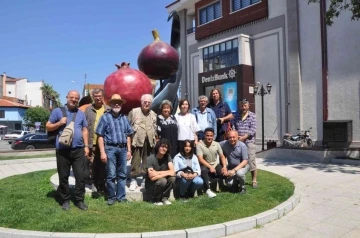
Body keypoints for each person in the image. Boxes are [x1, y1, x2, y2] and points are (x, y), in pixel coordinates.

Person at [46, 90, 89, 211]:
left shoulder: (80, 113)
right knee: (63, 176)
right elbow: (48, 126)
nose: (74, 100)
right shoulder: (57, 111)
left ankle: (80, 200)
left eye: (76, 98)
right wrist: (59, 123)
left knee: (80, 176)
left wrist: (86, 146)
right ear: (67, 97)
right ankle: (66, 200)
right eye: (72, 97)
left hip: (78, 149)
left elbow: (84, 130)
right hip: (62, 150)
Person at [96, 94, 134, 205]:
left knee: (122, 174)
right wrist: (102, 152)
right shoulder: (105, 117)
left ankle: (121, 197)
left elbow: (128, 135)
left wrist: (129, 150)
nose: (117, 104)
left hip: (123, 149)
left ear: (121, 105)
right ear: (111, 104)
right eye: (114, 102)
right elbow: (100, 136)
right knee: (111, 174)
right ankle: (111, 197)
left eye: (119, 102)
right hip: (110, 149)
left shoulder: (124, 118)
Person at [128, 94, 157, 191]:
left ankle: (145, 179)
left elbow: (155, 128)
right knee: (135, 160)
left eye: (149, 102)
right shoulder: (134, 112)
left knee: (147, 161)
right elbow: (128, 127)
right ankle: (133, 179)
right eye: (145, 102)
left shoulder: (153, 114)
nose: (147, 104)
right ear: (141, 102)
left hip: (149, 142)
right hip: (137, 141)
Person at [84, 88, 110, 193]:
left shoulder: (108, 110)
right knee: (93, 164)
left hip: (105, 143)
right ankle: (94, 183)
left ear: (102, 96)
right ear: (93, 98)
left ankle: (102, 184)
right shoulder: (88, 110)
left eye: (99, 96)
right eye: (96, 96)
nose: (98, 98)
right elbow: (84, 126)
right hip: (92, 142)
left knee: (104, 164)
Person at [196, 127, 227, 198]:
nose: (209, 137)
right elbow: (200, 159)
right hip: (205, 165)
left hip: (215, 164)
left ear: (213, 136)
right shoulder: (200, 145)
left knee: (223, 173)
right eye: (207, 135)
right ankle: (207, 189)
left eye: (211, 136)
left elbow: (222, 156)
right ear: (204, 135)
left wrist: (224, 167)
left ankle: (222, 186)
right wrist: (210, 167)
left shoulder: (216, 144)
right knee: (204, 170)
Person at [233, 99, 257, 188]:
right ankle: (239, 179)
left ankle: (254, 180)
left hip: (249, 142)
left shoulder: (252, 116)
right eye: (242, 106)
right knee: (239, 161)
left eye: (245, 105)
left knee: (251, 161)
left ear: (248, 106)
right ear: (240, 106)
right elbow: (234, 126)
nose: (243, 107)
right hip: (238, 142)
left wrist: (244, 137)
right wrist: (236, 136)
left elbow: (253, 129)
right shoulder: (236, 116)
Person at [145, 138, 176, 205]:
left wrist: (156, 173)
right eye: (162, 146)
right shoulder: (150, 158)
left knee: (172, 178)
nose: (164, 149)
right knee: (163, 180)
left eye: (166, 147)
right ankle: (156, 199)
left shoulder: (168, 157)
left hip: (160, 181)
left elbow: (173, 172)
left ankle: (164, 198)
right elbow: (152, 177)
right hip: (151, 184)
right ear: (158, 146)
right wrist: (168, 173)